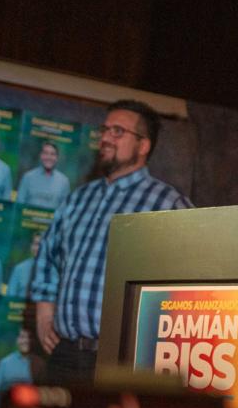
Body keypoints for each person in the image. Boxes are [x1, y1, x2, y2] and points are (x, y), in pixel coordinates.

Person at [31, 99, 192, 384]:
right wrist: (44, 313)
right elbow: (48, 256)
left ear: (143, 145)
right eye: (104, 130)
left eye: (118, 131)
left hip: (123, 361)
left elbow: (191, 282)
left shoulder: (168, 204)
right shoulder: (79, 198)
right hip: (64, 354)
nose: (105, 137)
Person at [16, 142, 71, 209]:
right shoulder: (28, 177)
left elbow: (65, 209)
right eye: (46, 153)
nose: (49, 157)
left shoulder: (64, 182)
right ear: (41, 156)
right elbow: (19, 206)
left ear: (57, 158)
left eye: (52, 154)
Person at [6, 232, 41, 298]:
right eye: (36, 244)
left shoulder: (54, 272)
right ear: (31, 246)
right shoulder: (19, 269)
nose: (38, 248)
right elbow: (10, 297)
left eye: (42, 245)